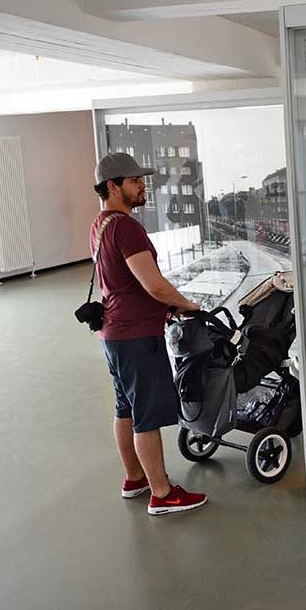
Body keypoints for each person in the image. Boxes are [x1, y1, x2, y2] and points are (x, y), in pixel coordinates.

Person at [91, 152, 208, 516]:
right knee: (145, 415)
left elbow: (127, 282)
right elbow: (153, 285)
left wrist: (167, 304)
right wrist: (187, 304)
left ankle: (135, 478)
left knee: (125, 408)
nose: (144, 186)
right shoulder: (126, 227)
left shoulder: (100, 224)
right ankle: (161, 493)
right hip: (136, 337)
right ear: (113, 186)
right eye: (135, 180)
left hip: (113, 334)